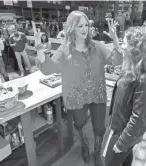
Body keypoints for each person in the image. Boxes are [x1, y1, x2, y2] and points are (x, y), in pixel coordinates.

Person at [33, 10, 123, 165]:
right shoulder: (65, 50)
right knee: (80, 124)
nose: (84, 28)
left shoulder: (97, 47)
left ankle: (97, 150)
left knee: (99, 127)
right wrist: (39, 48)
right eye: (79, 25)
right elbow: (48, 68)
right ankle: (85, 146)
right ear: (71, 28)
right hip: (76, 97)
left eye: (86, 25)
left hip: (97, 95)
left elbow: (116, 60)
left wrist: (115, 39)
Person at [101, 26, 146, 166]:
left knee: (107, 161)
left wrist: (122, 143)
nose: (122, 45)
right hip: (118, 125)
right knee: (125, 160)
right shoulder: (132, 66)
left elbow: (138, 118)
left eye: (125, 43)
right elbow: (120, 52)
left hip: (123, 132)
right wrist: (115, 39)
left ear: (135, 49)